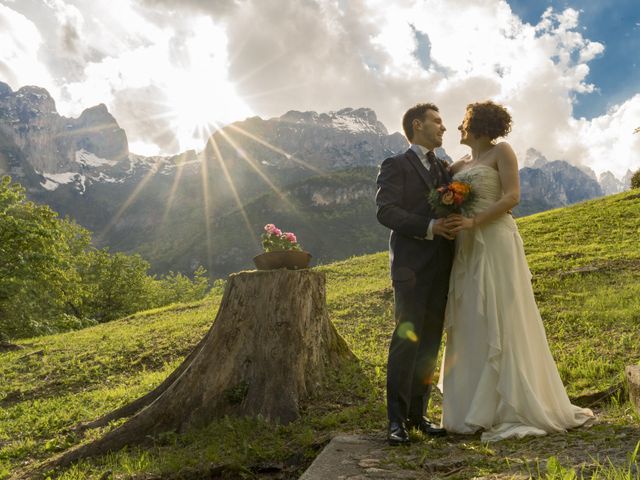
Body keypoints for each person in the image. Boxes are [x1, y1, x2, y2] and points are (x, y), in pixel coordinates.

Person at [440, 101, 595, 441]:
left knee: (502, 311)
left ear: (478, 126)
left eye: (463, 122)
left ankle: (509, 404)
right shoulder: (459, 165)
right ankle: (471, 409)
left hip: (495, 238)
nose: (457, 128)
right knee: (471, 315)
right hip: (465, 244)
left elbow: (512, 197)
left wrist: (474, 221)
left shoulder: (502, 152)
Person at [375, 103, 455, 446]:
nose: (443, 127)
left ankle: (418, 414)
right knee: (406, 342)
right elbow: (386, 211)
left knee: (431, 342)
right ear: (417, 124)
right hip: (410, 269)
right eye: (437, 121)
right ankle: (396, 421)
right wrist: (430, 226)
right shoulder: (396, 164)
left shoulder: (445, 166)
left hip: (443, 267)